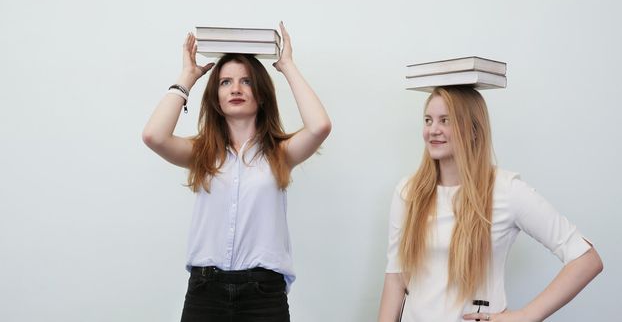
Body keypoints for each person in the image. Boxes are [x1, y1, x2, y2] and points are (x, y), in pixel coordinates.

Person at [142, 22, 331, 322]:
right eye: (226, 82)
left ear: (262, 94)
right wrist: (186, 78)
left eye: (246, 81)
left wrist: (287, 66)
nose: (236, 89)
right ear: (215, 97)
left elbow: (320, 126)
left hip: (264, 295)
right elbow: (154, 136)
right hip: (206, 292)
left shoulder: (279, 153)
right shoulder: (202, 154)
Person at [378, 87, 602, 322]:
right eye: (428, 120)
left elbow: (586, 259)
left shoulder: (506, 190)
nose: (433, 130)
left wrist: (526, 316)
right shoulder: (408, 192)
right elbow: (396, 278)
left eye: (446, 120)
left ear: (474, 130)